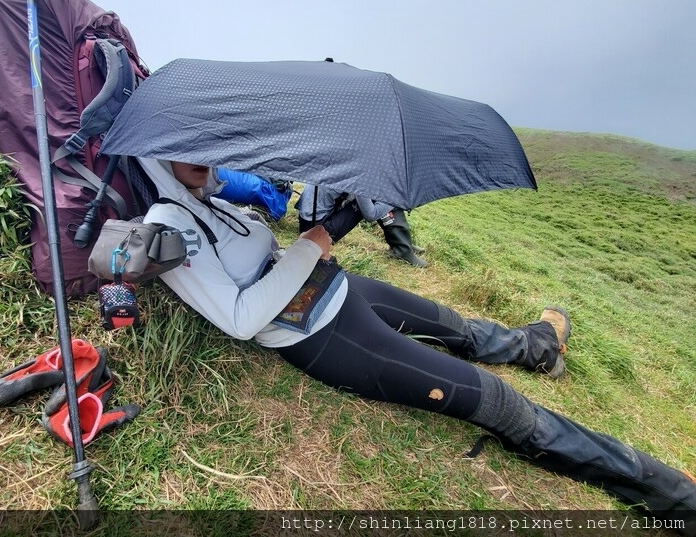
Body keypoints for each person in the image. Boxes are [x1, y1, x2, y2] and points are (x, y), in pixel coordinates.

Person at [139, 158, 695, 529]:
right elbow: (239, 317)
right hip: (322, 335)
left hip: (334, 287)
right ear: (156, 158)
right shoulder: (167, 223)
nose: (207, 162)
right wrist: (312, 243)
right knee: (495, 401)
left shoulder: (209, 199)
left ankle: (540, 346)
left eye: (207, 150)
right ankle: (668, 491)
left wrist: (334, 226)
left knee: (454, 325)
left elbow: (272, 260)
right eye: (189, 154)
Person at [297, 184, 428, 267]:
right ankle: (402, 248)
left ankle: (404, 244)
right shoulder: (361, 177)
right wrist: (395, 201)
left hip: (309, 219)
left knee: (381, 196)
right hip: (318, 231)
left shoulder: (347, 161)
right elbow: (370, 215)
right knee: (382, 199)